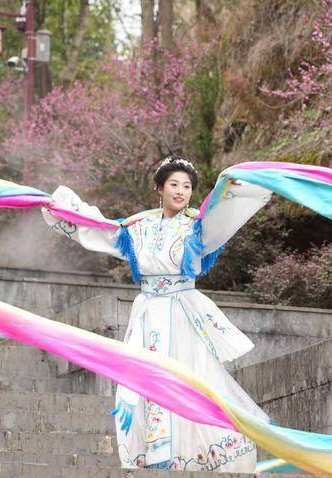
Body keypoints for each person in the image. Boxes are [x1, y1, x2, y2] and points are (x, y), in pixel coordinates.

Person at [41, 155, 272, 471]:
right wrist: (64, 208)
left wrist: (238, 186)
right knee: (142, 383)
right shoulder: (138, 227)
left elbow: (224, 216)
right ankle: (155, 455)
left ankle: (196, 458)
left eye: (187, 186)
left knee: (193, 381)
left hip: (182, 314)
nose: (180, 191)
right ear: (159, 189)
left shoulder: (198, 226)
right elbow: (101, 231)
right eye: (174, 184)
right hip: (148, 314)